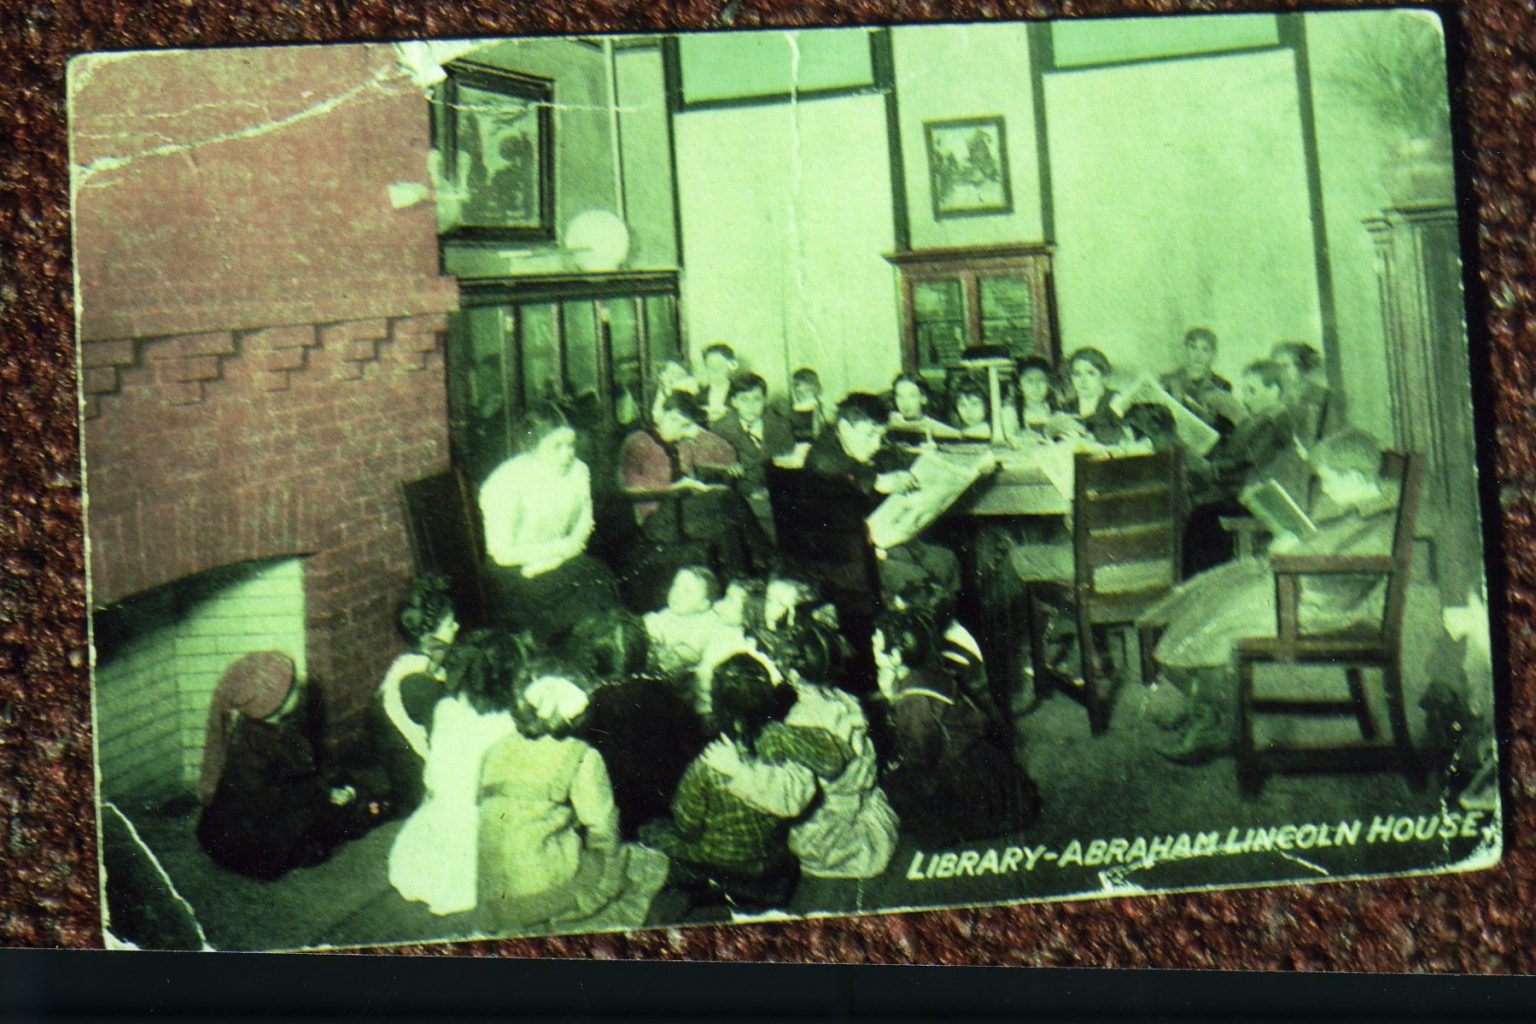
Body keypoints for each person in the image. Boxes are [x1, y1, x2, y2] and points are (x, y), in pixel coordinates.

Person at [1140, 428, 1407, 764]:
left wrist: (1292, 553)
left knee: (1220, 619)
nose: (1323, 487)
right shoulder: (1357, 505)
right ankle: (1203, 707)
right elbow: (1327, 544)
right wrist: (1295, 541)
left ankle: (1215, 721)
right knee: (1207, 598)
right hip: (1299, 590)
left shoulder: (1377, 521)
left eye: (1327, 480)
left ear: (1354, 476)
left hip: (1317, 607)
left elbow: (1346, 571)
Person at [476, 659, 670, 934]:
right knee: (644, 863)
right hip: (544, 887)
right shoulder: (580, 755)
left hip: (493, 891)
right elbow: (602, 830)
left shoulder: (495, 749)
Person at [639, 652, 815, 908]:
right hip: (773, 850)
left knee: (651, 830)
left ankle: (713, 882)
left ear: (715, 703)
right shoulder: (780, 741)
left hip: (723, 856)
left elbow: (687, 828)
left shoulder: (706, 765)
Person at [197, 652, 381, 880]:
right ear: (274, 701)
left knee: (341, 790)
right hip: (255, 841)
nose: (300, 689)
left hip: (232, 830)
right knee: (345, 814)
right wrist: (327, 799)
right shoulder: (262, 750)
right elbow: (286, 801)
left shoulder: (254, 731)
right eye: (293, 688)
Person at [871, 610, 1041, 845]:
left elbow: (921, 754)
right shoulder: (930, 672)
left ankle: (957, 826)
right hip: (976, 756)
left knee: (895, 786)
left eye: (876, 643)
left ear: (897, 656)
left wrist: (898, 761)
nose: (871, 644)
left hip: (957, 769)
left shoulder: (913, 699)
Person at [388, 630, 525, 916]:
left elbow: (434, 776)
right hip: (485, 819)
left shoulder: (445, 709)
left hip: (444, 813)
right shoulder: (510, 722)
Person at [479, 402, 619, 644]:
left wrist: (563, 553)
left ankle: (611, 654)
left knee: (599, 576)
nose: (567, 454)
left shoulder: (578, 471)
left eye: (571, 445)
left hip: (561, 559)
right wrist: (559, 552)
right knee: (580, 599)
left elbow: (584, 524)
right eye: (557, 447)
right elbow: (500, 553)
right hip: (515, 571)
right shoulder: (506, 481)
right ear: (533, 444)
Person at [806, 392, 963, 598]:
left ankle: (943, 625)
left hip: (877, 542)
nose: (876, 444)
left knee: (945, 561)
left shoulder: (862, 448)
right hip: (842, 558)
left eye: (880, 436)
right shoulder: (823, 454)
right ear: (844, 427)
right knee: (918, 582)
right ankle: (922, 624)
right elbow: (828, 465)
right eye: (870, 434)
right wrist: (879, 481)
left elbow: (895, 455)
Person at [565, 610, 707, 837]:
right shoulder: (669, 694)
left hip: (614, 818)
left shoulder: (588, 707)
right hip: (667, 811)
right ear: (643, 650)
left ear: (594, 658)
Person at [619, 389, 770, 579]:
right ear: (660, 414)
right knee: (727, 498)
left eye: (683, 424)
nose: (676, 428)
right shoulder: (638, 441)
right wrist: (673, 488)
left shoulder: (684, 443)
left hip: (687, 509)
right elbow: (628, 486)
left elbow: (728, 455)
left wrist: (697, 431)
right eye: (673, 420)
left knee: (728, 524)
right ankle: (767, 558)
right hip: (657, 517)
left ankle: (739, 581)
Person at [373, 574, 459, 816]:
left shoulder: (408, 663)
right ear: (427, 638)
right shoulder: (418, 684)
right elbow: (444, 744)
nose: (457, 627)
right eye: (450, 624)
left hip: (409, 768)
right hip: (421, 787)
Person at [712, 372, 795, 532]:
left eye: (757, 399)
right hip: (742, 497)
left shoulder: (780, 426)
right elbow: (715, 474)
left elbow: (792, 465)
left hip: (778, 492)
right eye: (744, 400)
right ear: (734, 402)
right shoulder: (720, 430)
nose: (751, 406)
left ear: (765, 399)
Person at [1160, 327, 1241, 433]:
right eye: (1193, 347)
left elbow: (1225, 427)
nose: (1198, 355)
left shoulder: (1222, 385)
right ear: (1184, 350)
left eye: (1205, 350)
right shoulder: (1168, 380)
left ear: (1213, 354)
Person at [1271, 340, 1336, 447]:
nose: (1280, 373)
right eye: (1276, 368)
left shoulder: (1323, 396)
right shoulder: (1278, 401)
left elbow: (1331, 436)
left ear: (1301, 366)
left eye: (1285, 366)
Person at [1061, 346, 1124, 446]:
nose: (1083, 380)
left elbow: (1122, 434)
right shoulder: (1068, 407)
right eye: (1077, 374)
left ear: (1104, 377)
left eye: (1091, 373)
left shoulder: (1116, 400)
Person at [887, 372, 961, 442]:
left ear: (923, 399)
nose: (905, 403)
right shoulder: (889, 423)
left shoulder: (936, 428)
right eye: (900, 397)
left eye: (912, 396)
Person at [1013, 356, 1064, 443]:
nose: (1036, 386)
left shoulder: (1056, 412)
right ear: (1019, 385)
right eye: (1030, 380)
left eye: (1041, 380)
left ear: (1048, 383)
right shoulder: (1011, 413)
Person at [783, 366, 832, 443]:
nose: (800, 397)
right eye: (797, 393)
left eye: (805, 392)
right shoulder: (794, 409)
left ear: (815, 389)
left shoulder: (822, 409)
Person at [700, 342, 741, 425]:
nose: (715, 370)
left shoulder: (740, 394)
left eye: (720, 365)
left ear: (731, 367)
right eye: (710, 366)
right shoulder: (699, 396)